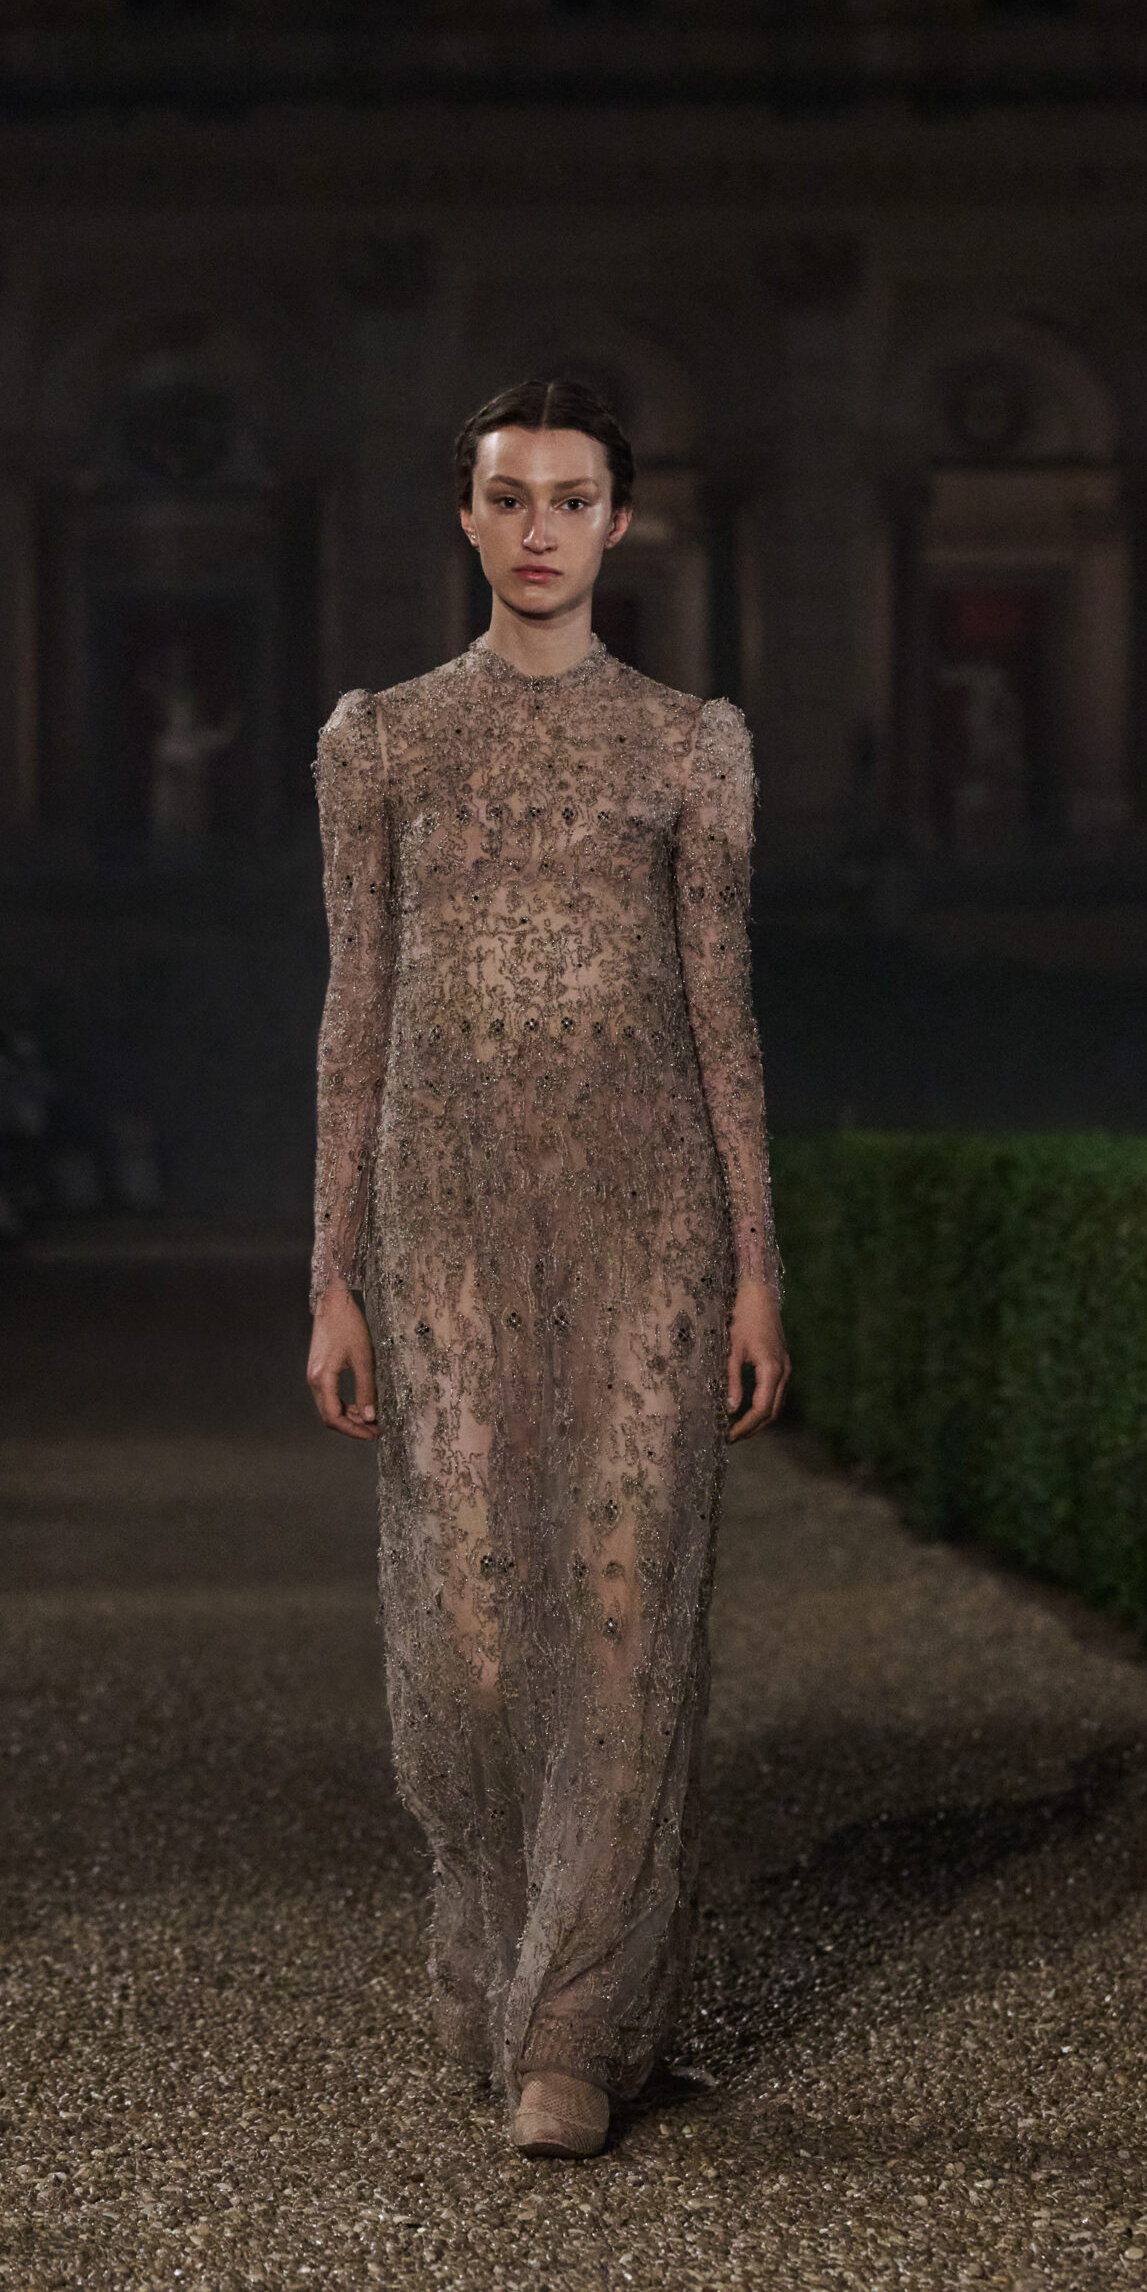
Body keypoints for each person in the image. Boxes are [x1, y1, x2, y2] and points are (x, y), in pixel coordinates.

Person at [307, 377, 790, 2159]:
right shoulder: (384, 744)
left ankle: (578, 2021)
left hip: (651, 1216)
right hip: (438, 1216)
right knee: (465, 1626)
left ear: (618, 522)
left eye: (571, 499)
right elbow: (355, 1010)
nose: (538, 529)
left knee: (618, 1608)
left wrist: (758, 1265)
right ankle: (498, 1956)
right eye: (509, 497)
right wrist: (329, 1272)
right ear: (467, 516)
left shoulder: (689, 746)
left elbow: (723, 1016)